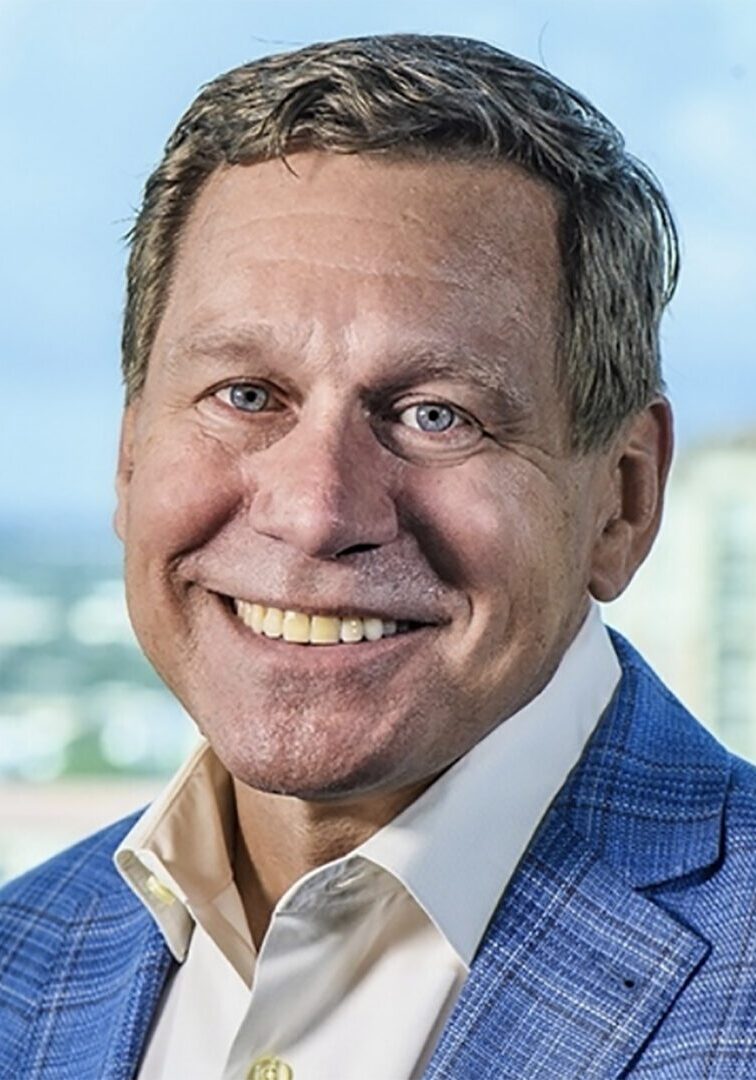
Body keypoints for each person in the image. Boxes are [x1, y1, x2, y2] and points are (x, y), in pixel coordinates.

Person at [1, 32, 754, 1080]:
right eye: (246, 396)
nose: (315, 513)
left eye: (437, 414)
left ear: (622, 501)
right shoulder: (20, 960)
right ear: (130, 455)